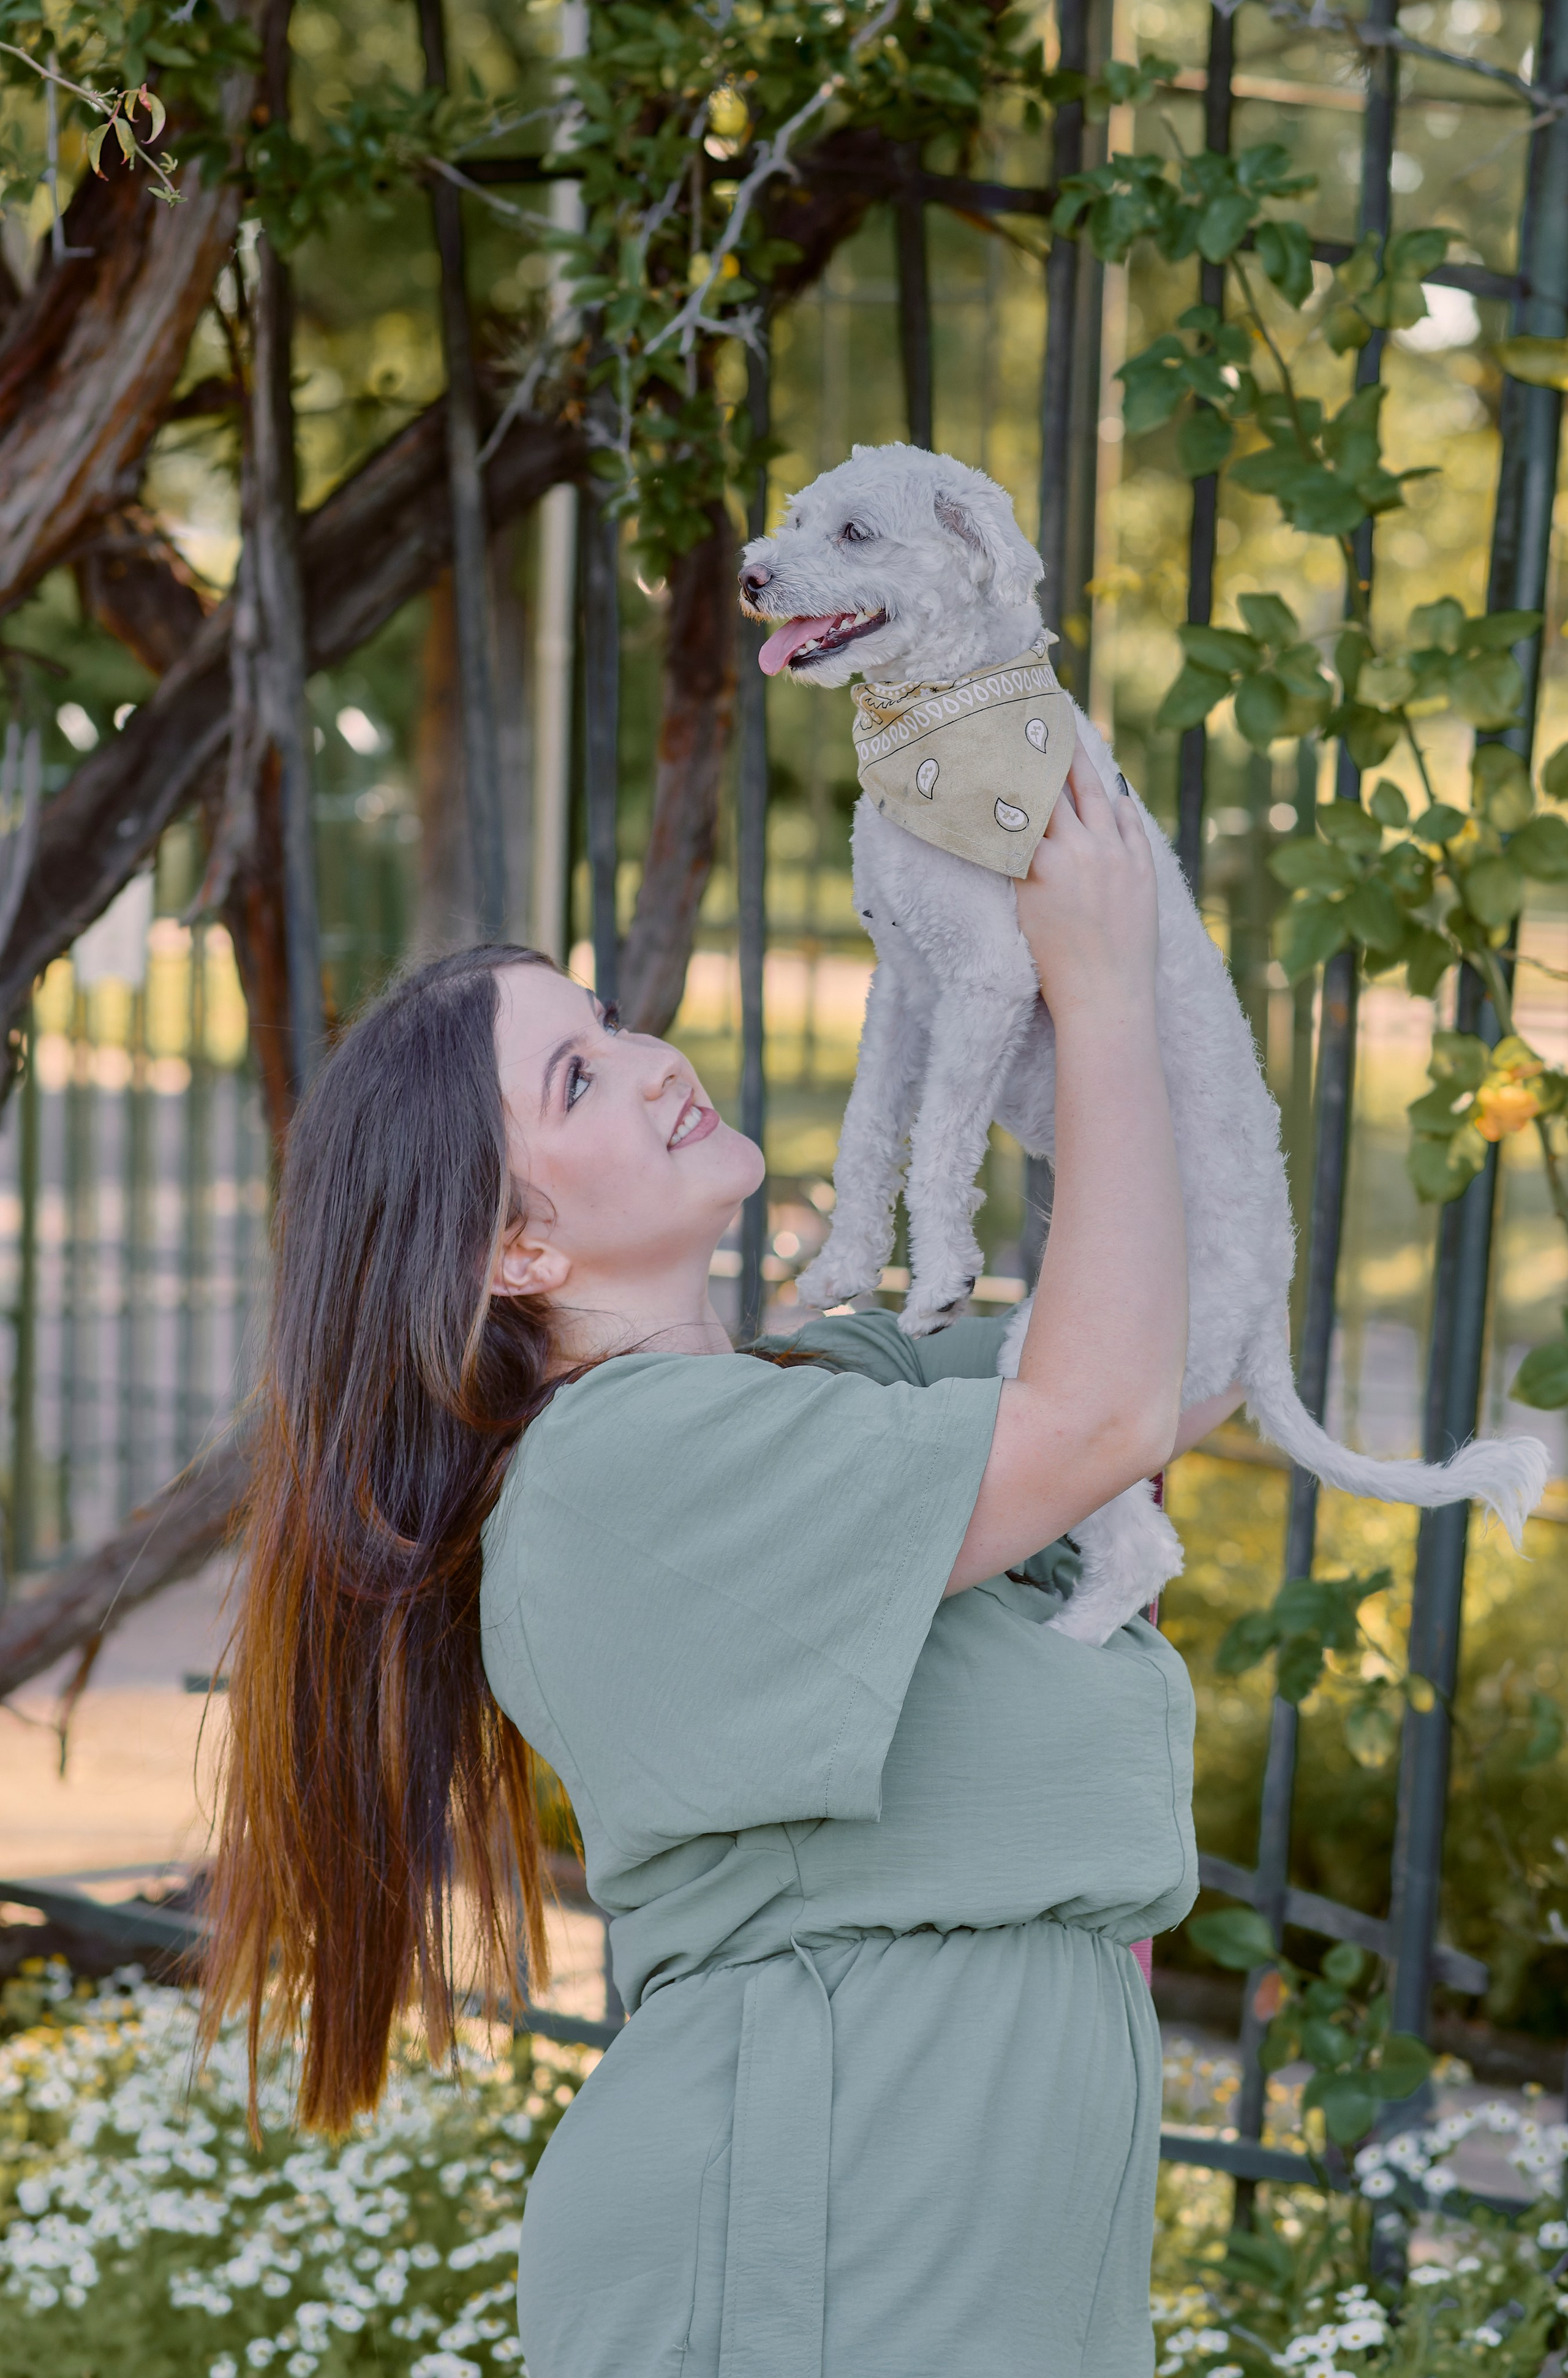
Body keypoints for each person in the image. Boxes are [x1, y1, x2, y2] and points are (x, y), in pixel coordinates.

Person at [202, 752, 1242, 2377]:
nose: (646, 1063)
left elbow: (1184, 1361)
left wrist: (1072, 984)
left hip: (951, 2251)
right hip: (815, 2256)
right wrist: (1098, 992)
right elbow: (1103, 1409)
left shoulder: (816, 1399)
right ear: (520, 1248)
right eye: (574, 1082)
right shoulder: (618, 1479)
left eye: (608, 1027)